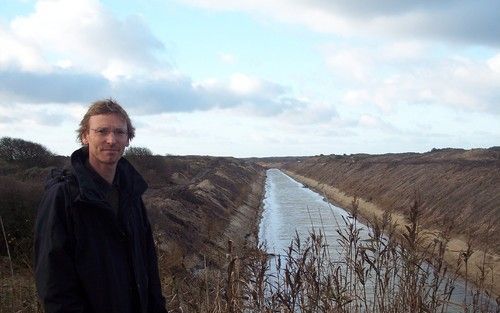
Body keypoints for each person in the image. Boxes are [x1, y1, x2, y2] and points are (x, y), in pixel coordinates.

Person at [35, 99, 167, 313]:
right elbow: (54, 285)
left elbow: (148, 267)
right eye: (102, 131)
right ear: (85, 136)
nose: (111, 139)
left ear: (128, 139)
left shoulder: (131, 194)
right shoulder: (63, 197)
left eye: (119, 132)